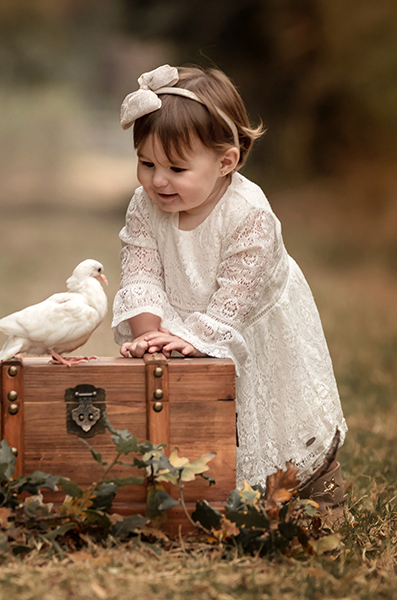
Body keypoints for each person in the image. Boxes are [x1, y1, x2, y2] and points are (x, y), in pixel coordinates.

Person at [112, 64, 347, 512]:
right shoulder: (145, 206)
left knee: (281, 415)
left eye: (176, 168)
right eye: (146, 163)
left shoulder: (249, 214)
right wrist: (148, 336)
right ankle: (199, 491)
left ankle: (320, 489)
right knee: (192, 408)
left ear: (226, 162)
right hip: (182, 322)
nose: (157, 180)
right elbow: (140, 270)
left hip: (249, 323)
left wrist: (192, 337)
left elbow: (232, 303)